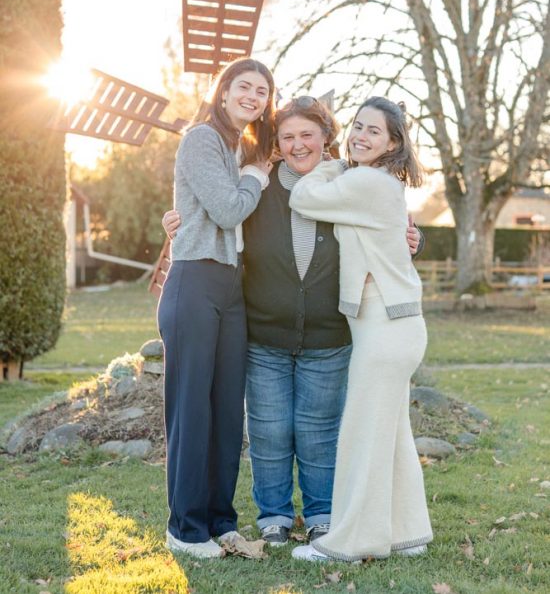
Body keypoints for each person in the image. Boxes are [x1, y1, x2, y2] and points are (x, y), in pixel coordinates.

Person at [162, 96, 423, 550]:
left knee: (320, 430)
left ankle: (321, 514)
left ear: (327, 138)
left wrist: (411, 238)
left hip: (329, 333)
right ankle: (275, 516)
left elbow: (381, 231)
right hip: (266, 331)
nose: (299, 144)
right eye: (288, 137)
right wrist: (175, 222)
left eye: (308, 135)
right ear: (277, 145)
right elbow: (214, 210)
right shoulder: (257, 188)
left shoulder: (350, 182)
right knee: (268, 429)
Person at [289, 96, 432, 562]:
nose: (360, 136)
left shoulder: (367, 181)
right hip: (392, 324)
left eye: (374, 131)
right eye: (358, 126)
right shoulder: (377, 182)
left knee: (363, 435)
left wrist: (332, 163)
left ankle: (352, 542)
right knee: (390, 434)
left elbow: (303, 197)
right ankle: (408, 534)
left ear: (392, 144)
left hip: (387, 326)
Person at [157, 57, 275, 559]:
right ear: (223, 91)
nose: (253, 95)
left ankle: (220, 521)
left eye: (263, 91)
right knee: (192, 411)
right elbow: (228, 210)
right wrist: (254, 178)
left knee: (228, 411)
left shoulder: (242, 147)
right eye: (244, 86)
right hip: (195, 282)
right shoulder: (202, 138)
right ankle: (185, 529)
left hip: (231, 287)